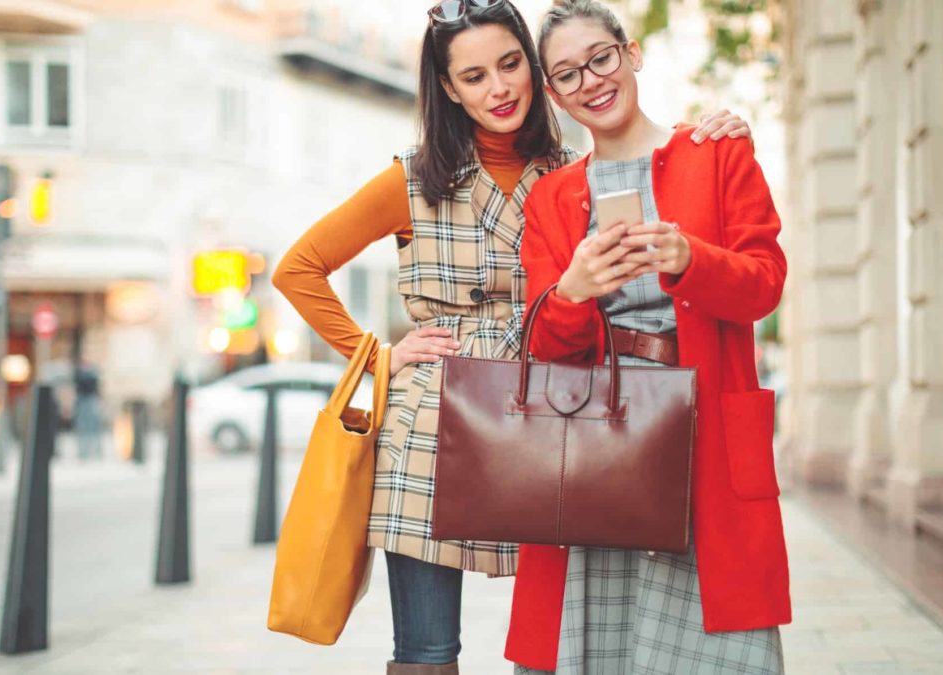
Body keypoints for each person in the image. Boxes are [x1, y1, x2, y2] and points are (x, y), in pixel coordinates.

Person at [272, 1, 751, 671]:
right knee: (428, 650)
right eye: (473, 77)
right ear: (447, 87)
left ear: (535, 69)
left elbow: (648, 151)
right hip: (433, 424)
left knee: (559, 633)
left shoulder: (567, 173)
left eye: (509, 65)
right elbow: (298, 269)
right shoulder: (412, 179)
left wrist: (720, 126)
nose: (498, 89)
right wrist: (376, 354)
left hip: (548, 414)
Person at [505, 1, 790, 673]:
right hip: (593, 446)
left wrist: (691, 257)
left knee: (718, 646)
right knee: (596, 642)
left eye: (601, 59)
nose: (591, 82)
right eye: (568, 74)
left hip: (703, 440)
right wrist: (574, 288)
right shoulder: (551, 197)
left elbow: (765, 283)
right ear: (552, 91)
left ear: (632, 53)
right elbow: (545, 345)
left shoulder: (717, 153)